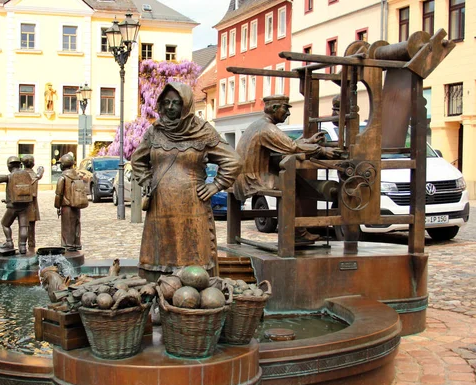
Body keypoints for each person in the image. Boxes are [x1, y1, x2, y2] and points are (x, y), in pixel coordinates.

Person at [131, 82, 242, 282]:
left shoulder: (203, 131)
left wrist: (216, 185)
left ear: (186, 104)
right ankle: (156, 290)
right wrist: (147, 180)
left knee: (193, 252)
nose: (170, 107)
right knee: (159, 253)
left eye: (176, 103)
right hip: (160, 207)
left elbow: (233, 160)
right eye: (166, 103)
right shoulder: (154, 132)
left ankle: (195, 290)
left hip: (193, 206)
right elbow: (138, 160)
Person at [233, 95, 340, 242]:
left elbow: (285, 146)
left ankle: (297, 230)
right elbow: (291, 147)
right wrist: (321, 150)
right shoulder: (267, 129)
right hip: (252, 178)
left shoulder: (259, 125)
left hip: (246, 175)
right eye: (285, 108)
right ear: (275, 108)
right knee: (290, 187)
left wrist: (307, 141)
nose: (288, 113)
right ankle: (298, 233)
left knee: (292, 181)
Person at [0, 156, 32, 254]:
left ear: (9, 166)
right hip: (24, 206)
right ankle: (23, 247)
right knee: (23, 227)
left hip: (12, 206)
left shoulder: (9, 176)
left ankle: (9, 242)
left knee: (5, 224)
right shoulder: (26, 175)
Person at [54, 154, 82, 251]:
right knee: (76, 224)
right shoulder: (77, 176)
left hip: (67, 206)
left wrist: (57, 206)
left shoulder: (63, 178)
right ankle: (76, 243)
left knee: (67, 226)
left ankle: (68, 244)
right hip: (76, 205)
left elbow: (59, 194)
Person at [21, 155, 44, 250]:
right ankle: (31, 244)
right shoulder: (34, 175)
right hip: (31, 204)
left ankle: (22, 245)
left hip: (22, 203)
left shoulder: (21, 174)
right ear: (33, 164)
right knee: (31, 227)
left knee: (22, 225)